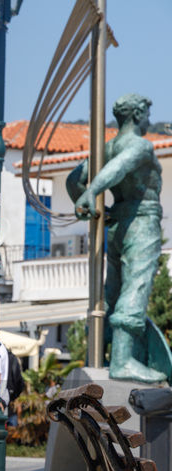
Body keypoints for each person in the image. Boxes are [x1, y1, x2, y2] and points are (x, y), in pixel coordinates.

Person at [70, 93, 167, 383]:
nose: (150, 121)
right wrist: (93, 194)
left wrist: (86, 196)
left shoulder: (106, 148)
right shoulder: (140, 145)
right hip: (141, 221)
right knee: (136, 284)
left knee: (111, 292)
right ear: (137, 115)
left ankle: (96, 355)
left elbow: (73, 179)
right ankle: (123, 361)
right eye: (147, 115)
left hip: (115, 225)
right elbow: (121, 167)